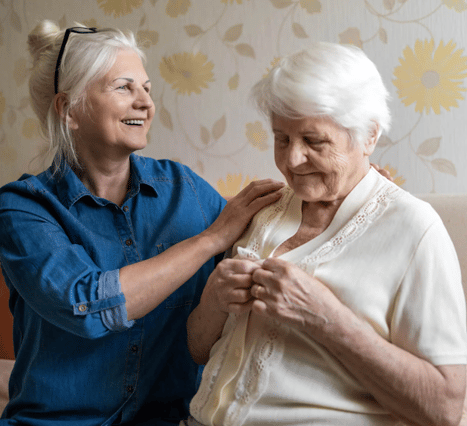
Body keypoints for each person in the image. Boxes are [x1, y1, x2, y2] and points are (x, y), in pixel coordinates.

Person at [0, 20, 285, 425]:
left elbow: (268, 231)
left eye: (147, 89)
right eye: (123, 87)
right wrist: (208, 240)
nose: (145, 103)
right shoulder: (22, 209)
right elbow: (88, 307)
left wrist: (352, 191)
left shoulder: (183, 188)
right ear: (69, 110)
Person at [183, 42, 467, 426]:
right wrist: (215, 298)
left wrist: (327, 318)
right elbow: (198, 350)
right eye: (281, 138)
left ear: (368, 136)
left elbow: (444, 409)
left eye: (314, 141)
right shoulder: (261, 209)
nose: (292, 160)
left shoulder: (415, 230)